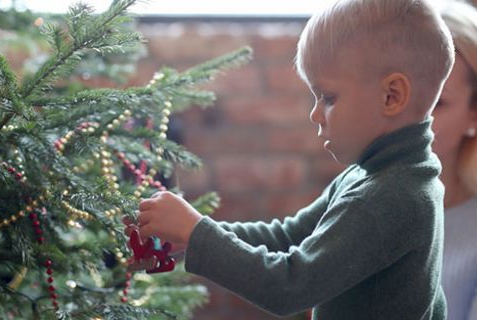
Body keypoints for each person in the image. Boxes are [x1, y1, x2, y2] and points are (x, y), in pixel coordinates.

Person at [130, 0, 455, 318]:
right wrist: (189, 235)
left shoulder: (390, 197)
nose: (315, 114)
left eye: (328, 97)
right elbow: (286, 237)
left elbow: (288, 286)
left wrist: (197, 232)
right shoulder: (375, 175)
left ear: (391, 96)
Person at [434, 2, 477, 319]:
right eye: (397, 93)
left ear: (473, 114)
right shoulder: (356, 200)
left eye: (436, 102)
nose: (411, 116)